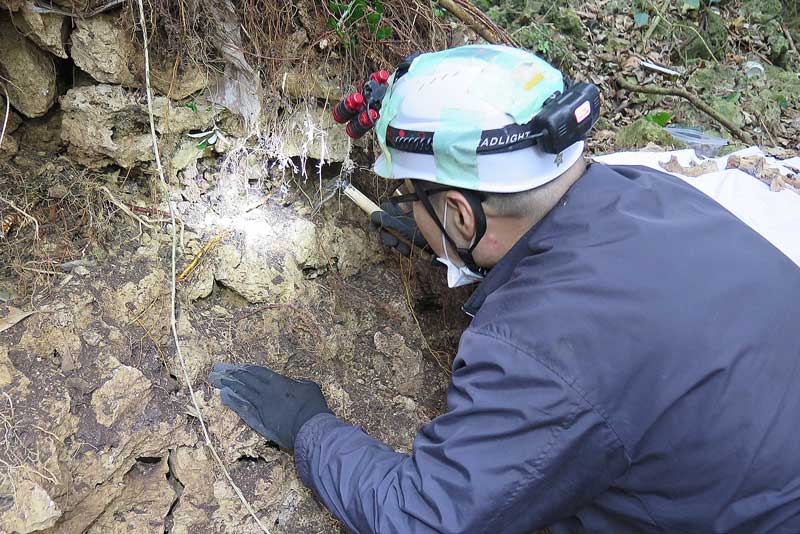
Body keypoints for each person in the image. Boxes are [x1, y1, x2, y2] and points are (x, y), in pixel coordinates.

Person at [210, 45, 800, 533]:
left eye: (412, 201)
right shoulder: (652, 191)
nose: (407, 210)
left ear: (462, 216)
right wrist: (433, 236)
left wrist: (309, 428)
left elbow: (425, 520)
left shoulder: (540, 349)